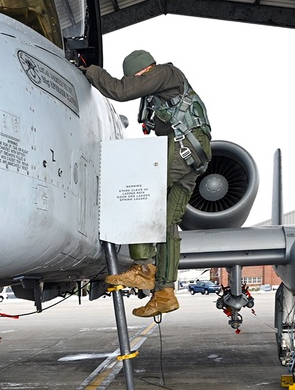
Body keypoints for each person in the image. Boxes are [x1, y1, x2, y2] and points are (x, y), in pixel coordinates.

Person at [82, 50, 212, 317]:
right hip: (193, 155)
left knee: (138, 194)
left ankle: (143, 269)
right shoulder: (162, 89)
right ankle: (165, 293)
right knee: (166, 223)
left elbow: (119, 90)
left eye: (136, 77)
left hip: (183, 149)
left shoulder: (164, 73)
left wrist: (90, 71)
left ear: (142, 72)